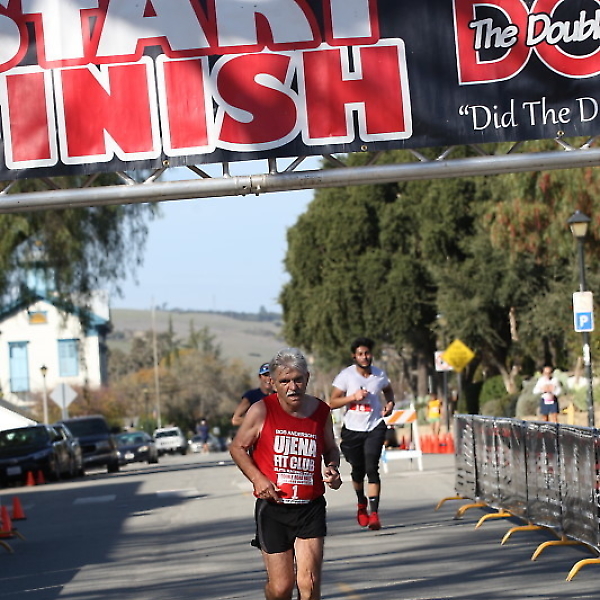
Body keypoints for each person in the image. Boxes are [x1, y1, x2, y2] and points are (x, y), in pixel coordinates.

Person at [229, 348, 342, 600]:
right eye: (285, 381)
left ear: (307, 378)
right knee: (281, 588)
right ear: (273, 382)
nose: (292, 387)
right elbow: (237, 448)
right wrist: (258, 479)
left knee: (309, 583)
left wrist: (333, 467)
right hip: (274, 508)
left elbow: (331, 448)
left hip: (310, 507)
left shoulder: (321, 411)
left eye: (298, 379)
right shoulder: (261, 410)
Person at [330, 336, 395, 531]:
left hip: (374, 426)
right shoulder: (346, 376)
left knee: (372, 468)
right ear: (354, 356)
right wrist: (352, 397)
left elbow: (388, 391)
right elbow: (332, 402)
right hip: (352, 430)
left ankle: (374, 514)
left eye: (367, 353)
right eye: (360, 354)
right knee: (358, 470)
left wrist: (390, 404)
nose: (364, 357)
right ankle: (361, 503)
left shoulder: (379, 375)